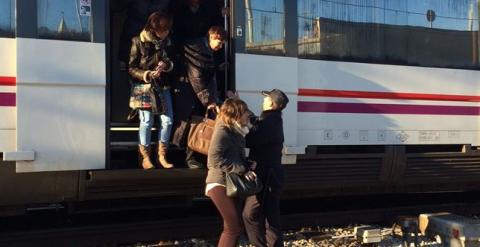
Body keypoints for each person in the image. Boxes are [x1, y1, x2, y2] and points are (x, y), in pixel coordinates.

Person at [171, 26, 227, 168]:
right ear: (213, 37)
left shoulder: (203, 48)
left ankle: (192, 156)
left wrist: (212, 99)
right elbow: (197, 77)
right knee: (191, 123)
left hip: (194, 91)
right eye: (220, 43)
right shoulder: (197, 49)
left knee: (195, 123)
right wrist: (209, 100)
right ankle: (189, 157)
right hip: (188, 91)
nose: (220, 47)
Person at [206, 98, 257, 247]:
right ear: (236, 113)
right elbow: (214, 159)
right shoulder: (222, 130)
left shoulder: (236, 130)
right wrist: (242, 169)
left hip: (230, 182)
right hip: (219, 183)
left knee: (231, 228)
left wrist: (247, 164)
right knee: (234, 229)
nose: (248, 114)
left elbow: (231, 156)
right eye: (245, 111)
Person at [242, 89, 289, 247]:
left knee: (251, 214)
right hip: (271, 175)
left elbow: (250, 139)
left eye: (266, 98)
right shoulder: (272, 120)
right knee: (268, 216)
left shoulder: (269, 122)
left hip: (267, 177)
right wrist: (245, 110)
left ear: (271, 103)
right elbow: (256, 122)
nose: (263, 100)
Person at [128, 12, 175, 169]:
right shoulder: (138, 41)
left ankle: (162, 155)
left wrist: (166, 66)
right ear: (154, 28)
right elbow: (131, 68)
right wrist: (147, 74)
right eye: (164, 29)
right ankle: (145, 156)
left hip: (163, 85)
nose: (167, 32)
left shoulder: (167, 42)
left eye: (168, 29)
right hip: (144, 87)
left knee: (168, 121)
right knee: (146, 121)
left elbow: (173, 62)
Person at [118, 0, 172, 68]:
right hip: (133, 37)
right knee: (131, 68)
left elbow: (174, 12)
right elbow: (116, 6)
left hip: (157, 41)